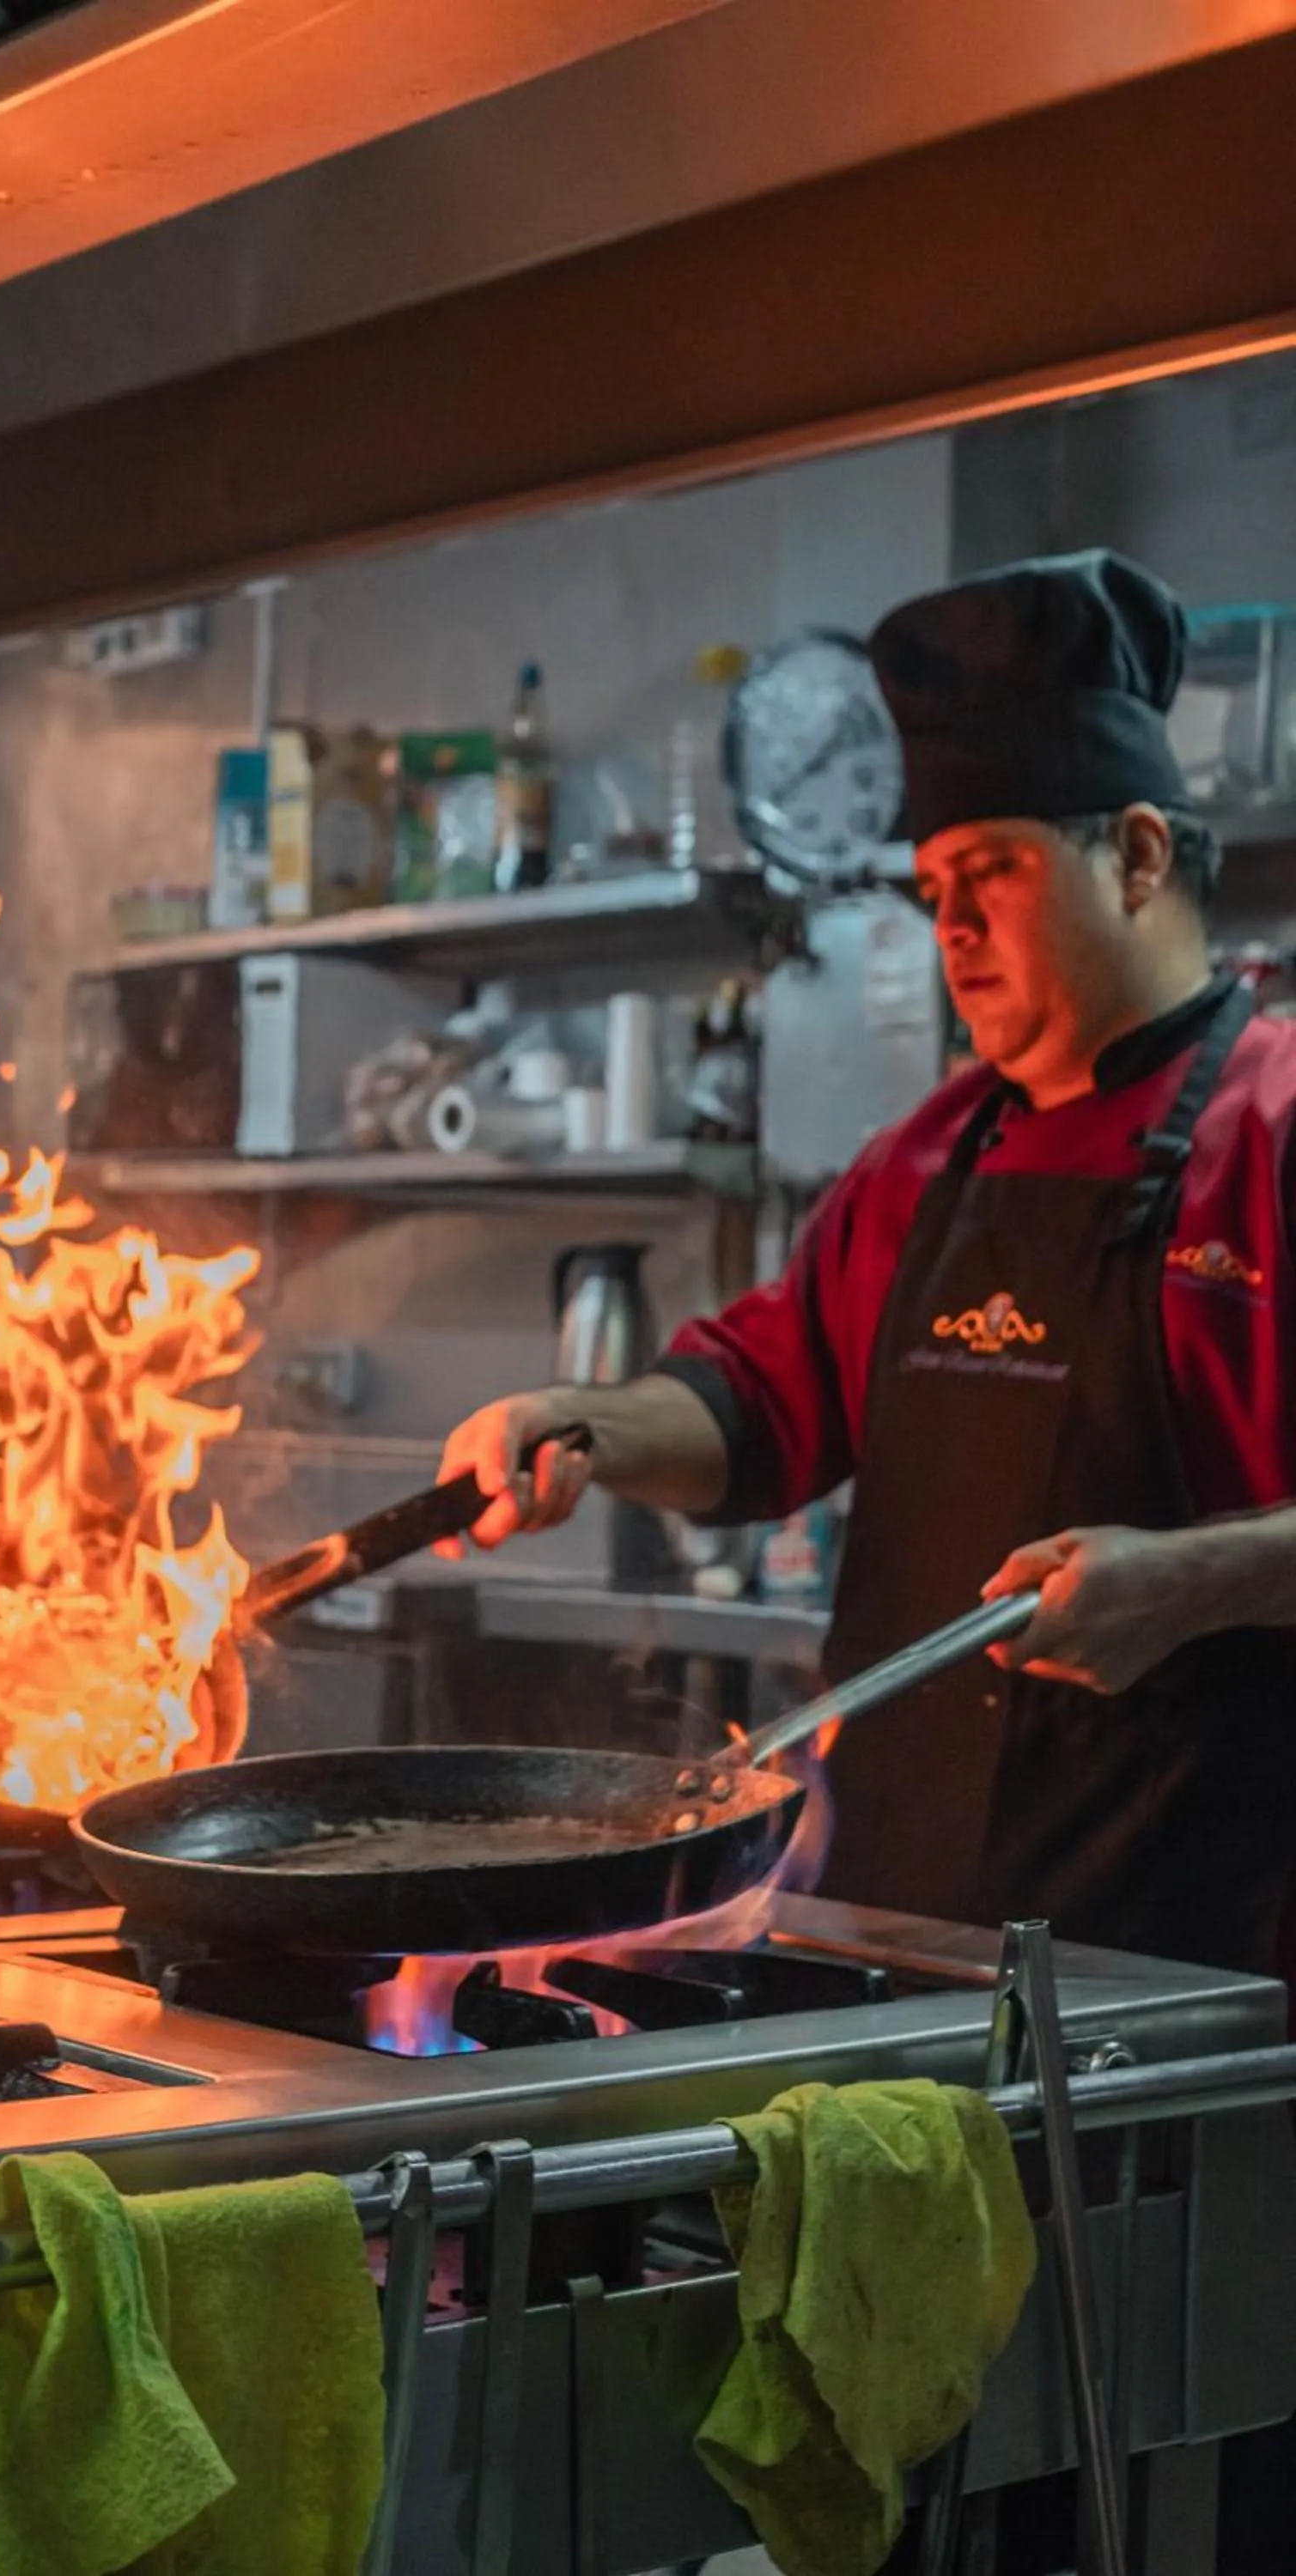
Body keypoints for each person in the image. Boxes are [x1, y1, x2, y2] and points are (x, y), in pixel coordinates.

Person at [440, 548, 1296, 2566]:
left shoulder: (1269, 1124)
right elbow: (753, 1404)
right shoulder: (936, 1162)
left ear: (1142, 848)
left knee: (1159, 2507)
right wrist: (586, 1430)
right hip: (903, 2026)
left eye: (988, 872)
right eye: (928, 894)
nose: (952, 930)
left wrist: (1195, 1576)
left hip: (1192, 2026)